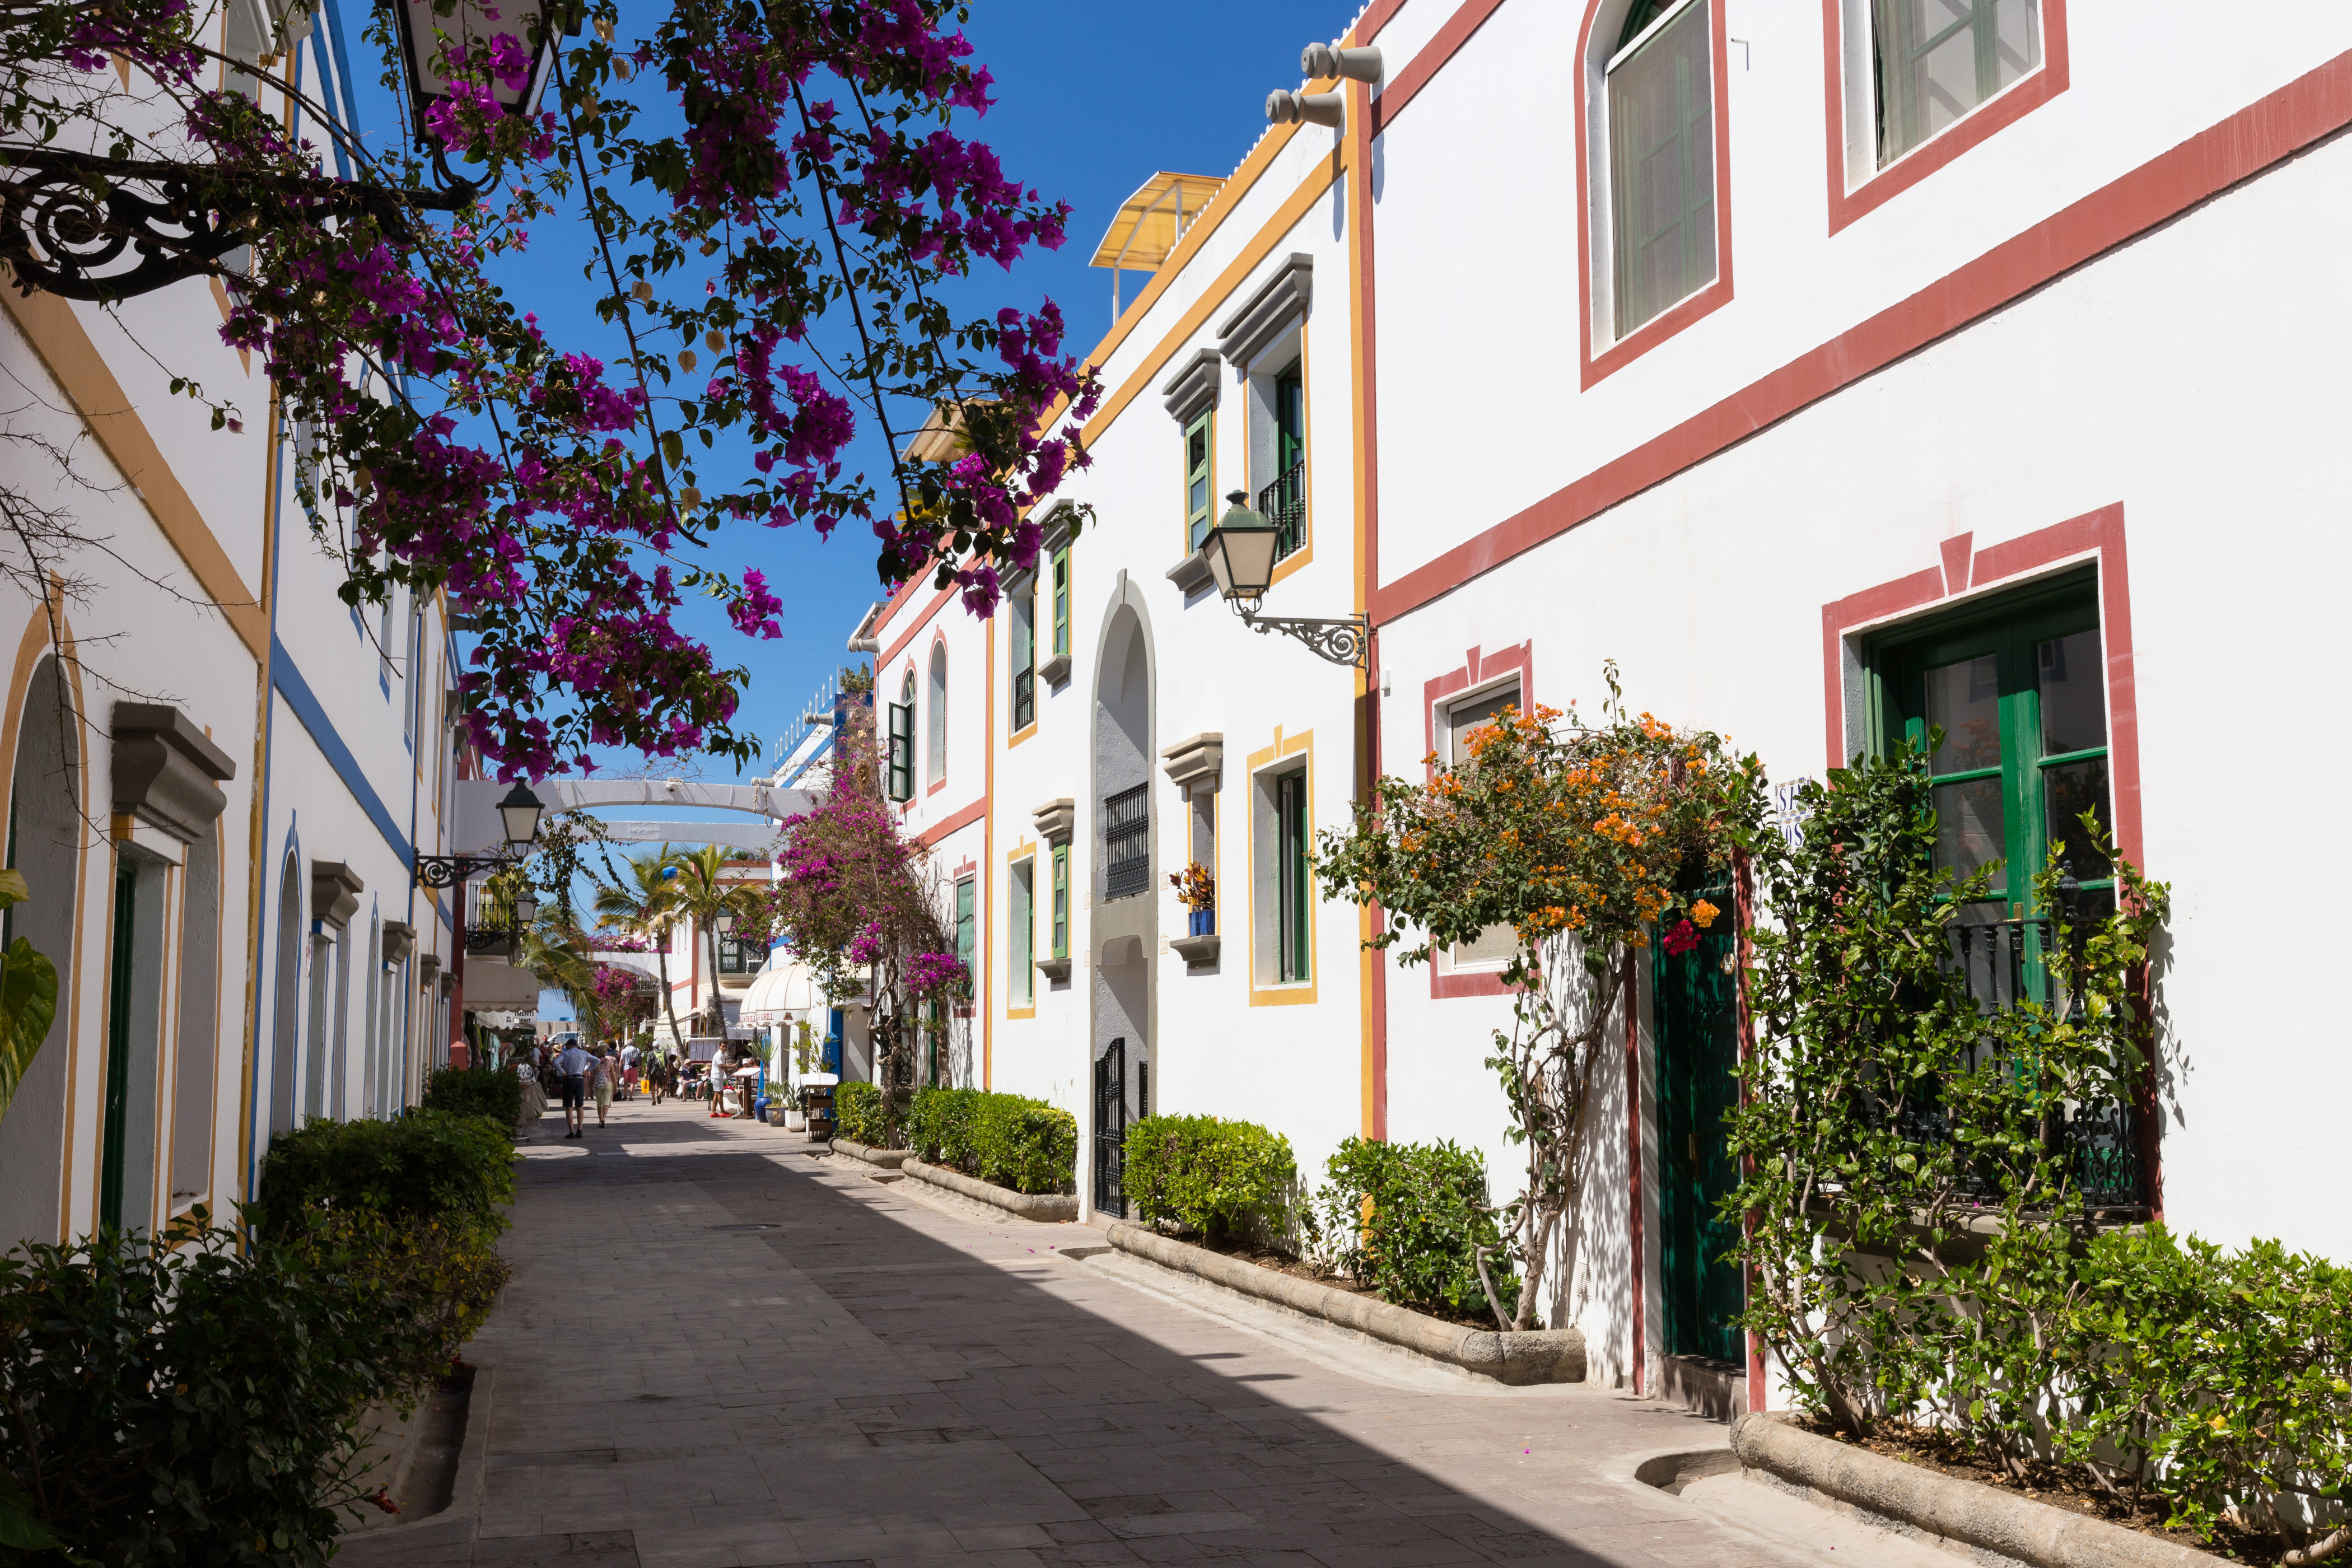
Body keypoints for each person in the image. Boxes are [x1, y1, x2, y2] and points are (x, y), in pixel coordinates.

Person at [555, 1038, 594, 1138]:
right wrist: (587, 1070)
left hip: (569, 1080)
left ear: (570, 1045)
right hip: (580, 1080)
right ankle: (580, 1130)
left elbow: (555, 1063)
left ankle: (571, 1132)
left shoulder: (565, 1053)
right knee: (580, 1106)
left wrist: (563, 1072)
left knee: (569, 1107)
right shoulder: (584, 1053)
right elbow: (596, 1061)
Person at [591, 1048, 616, 1128]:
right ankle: (604, 1118)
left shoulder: (594, 1061)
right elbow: (613, 1074)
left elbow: (591, 1076)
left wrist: (590, 1087)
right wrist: (615, 1085)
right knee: (606, 1102)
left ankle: (600, 1120)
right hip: (608, 1082)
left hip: (598, 1083)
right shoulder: (609, 1061)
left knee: (599, 1103)